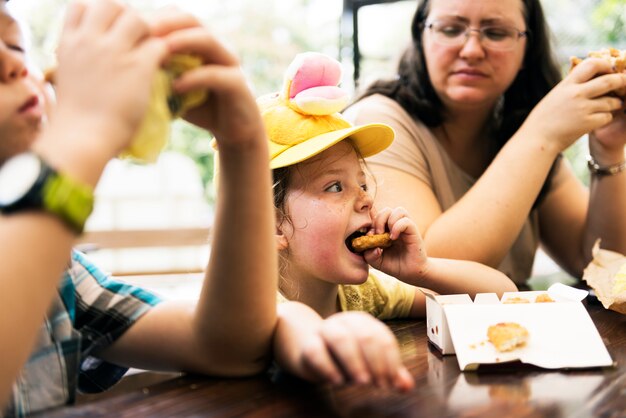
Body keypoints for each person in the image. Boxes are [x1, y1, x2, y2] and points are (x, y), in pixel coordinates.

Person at [0, 0, 283, 414]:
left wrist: (243, 144)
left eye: (16, 44)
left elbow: (226, 347)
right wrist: (85, 131)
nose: (13, 64)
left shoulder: (59, 273)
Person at [345, 0, 626, 287]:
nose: (471, 50)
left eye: (496, 33)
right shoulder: (378, 123)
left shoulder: (514, 129)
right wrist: (540, 134)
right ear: (421, 36)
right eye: (451, 29)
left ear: (527, 49)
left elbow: (602, 267)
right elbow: (423, 267)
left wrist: (608, 149)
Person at [255, 52, 515, 327]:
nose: (366, 199)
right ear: (274, 224)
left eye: (363, 184)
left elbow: (505, 297)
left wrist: (423, 270)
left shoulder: (363, 292)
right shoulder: (254, 308)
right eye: (334, 186)